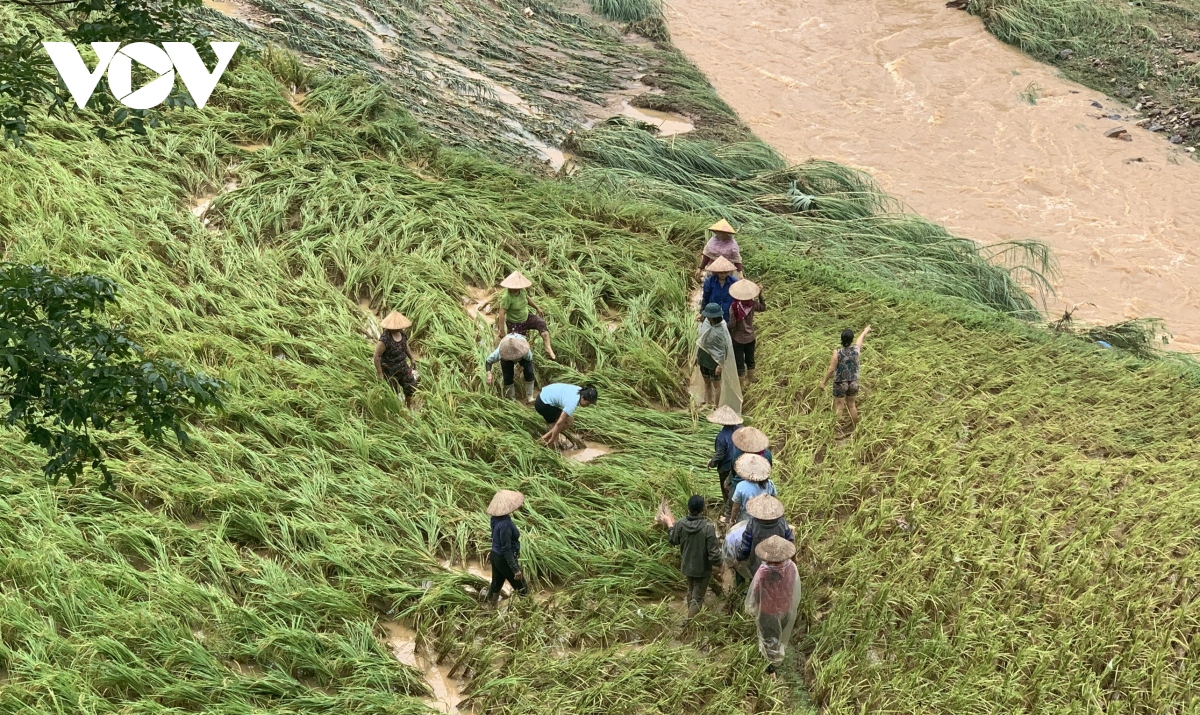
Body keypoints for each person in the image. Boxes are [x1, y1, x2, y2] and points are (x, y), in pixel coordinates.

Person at [745, 536, 801, 678]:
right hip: (785, 608)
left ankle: (771, 670)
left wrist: (753, 606)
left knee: (769, 637)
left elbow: (756, 591)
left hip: (767, 611)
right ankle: (778, 659)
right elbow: (793, 587)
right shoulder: (791, 567)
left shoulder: (764, 572)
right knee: (778, 634)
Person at [660, 495, 723, 618]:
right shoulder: (708, 527)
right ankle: (690, 623)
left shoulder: (681, 524)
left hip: (687, 566)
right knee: (698, 597)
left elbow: (673, 539)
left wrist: (669, 524)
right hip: (702, 568)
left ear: (688, 508)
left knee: (691, 590)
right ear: (702, 509)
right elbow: (714, 553)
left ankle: (691, 615)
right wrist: (720, 565)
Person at [819, 325, 872, 429]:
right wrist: (866, 330)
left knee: (839, 407)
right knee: (852, 405)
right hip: (853, 382)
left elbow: (831, 369)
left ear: (841, 339)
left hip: (840, 383)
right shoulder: (856, 350)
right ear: (852, 339)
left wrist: (824, 382)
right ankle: (855, 428)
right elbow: (860, 339)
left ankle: (836, 430)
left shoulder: (838, 353)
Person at [496, 271, 556, 360]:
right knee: (519, 346)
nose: (516, 289)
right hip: (515, 324)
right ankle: (518, 362)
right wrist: (501, 330)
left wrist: (537, 308)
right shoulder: (507, 297)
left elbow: (527, 299)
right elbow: (502, 313)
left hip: (526, 318)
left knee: (541, 323)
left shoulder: (522, 291)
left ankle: (548, 347)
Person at [693, 303, 742, 413]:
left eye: (709, 316)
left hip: (714, 362)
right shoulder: (706, 323)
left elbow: (723, 349)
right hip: (703, 357)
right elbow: (702, 341)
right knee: (706, 382)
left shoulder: (722, 329)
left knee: (716, 385)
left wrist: (720, 365)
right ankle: (708, 402)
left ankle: (715, 407)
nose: (707, 317)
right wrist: (697, 356)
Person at [736, 495, 795, 580]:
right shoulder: (782, 522)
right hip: (778, 561)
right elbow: (790, 541)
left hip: (758, 562)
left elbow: (746, 545)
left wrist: (739, 557)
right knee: (776, 583)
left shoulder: (753, 524)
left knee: (759, 583)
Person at [486, 489, 529, 602]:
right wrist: (515, 569)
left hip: (495, 556)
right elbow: (506, 549)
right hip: (504, 559)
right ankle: (529, 610)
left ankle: (490, 608)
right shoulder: (505, 525)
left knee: (496, 584)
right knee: (522, 588)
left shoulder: (495, 519)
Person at [373, 311, 418, 407]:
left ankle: (408, 407)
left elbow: (405, 346)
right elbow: (377, 356)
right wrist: (380, 373)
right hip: (390, 371)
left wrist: (412, 358)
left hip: (403, 367)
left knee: (411, 387)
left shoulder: (402, 334)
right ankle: (395, 410)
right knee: (392, 393)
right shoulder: (385, 339)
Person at [706, 405, 743, 519]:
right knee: (737, 489)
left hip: (727, 467)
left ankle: (729, 516)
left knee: (727, 490)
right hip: (740, 465)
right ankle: (737, 511)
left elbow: (720, 455)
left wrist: (711, 463)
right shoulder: (740, 430)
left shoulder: (722, 437)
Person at [535, 383, 598, 448]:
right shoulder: (572, 403)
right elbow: (559, 423)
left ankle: (548, 444)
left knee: (555, 436)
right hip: (543, 404)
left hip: (543, 396)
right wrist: (552, 439)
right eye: (588, 403)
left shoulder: (580, 390)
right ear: (582, 398)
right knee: (569, 421)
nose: (587, 406)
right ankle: (544, 439)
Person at [727, 279, 765, 388]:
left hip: (738, 339)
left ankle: (741, 386)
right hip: (750, 337)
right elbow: (763, 308)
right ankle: (751, 379)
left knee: (740, 363)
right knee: (750, 359)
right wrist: (760, 295)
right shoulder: (752, 304)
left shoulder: (734, 307)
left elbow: (732, 324)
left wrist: (725, 327)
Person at [727, 426, 773, 511]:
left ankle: (729, 518)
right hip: (761, 487)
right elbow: (768, 470)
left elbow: (733, 470)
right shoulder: (767, 454)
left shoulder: (738, 453)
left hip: (738, 485)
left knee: (733, 505)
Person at [485, 332, 536, 402]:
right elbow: (488, 361)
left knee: (529, 372)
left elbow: (528, 360)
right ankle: (511, 399)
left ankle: (530, 396)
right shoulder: (500, 352)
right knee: (507, 376)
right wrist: (489, 375)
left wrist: (519, 370)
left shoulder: (524, 349)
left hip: (522, 356)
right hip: (506, 360)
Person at [729, 453, 777, 524]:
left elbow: (736, 507)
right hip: (764, 518)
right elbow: (773, 501)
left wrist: (732, 520)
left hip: (745, 520)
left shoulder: (741, 486)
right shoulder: (769, 484)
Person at [699, 257, 739, 323]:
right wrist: (702, 312)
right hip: (713, 313)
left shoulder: (733, 282)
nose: (723, 275)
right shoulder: (709, 281)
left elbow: (737, 298)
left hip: (728, 313)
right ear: (717, 272)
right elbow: (705, 298)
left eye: (725, 273)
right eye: (721, 273)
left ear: (728, 272)